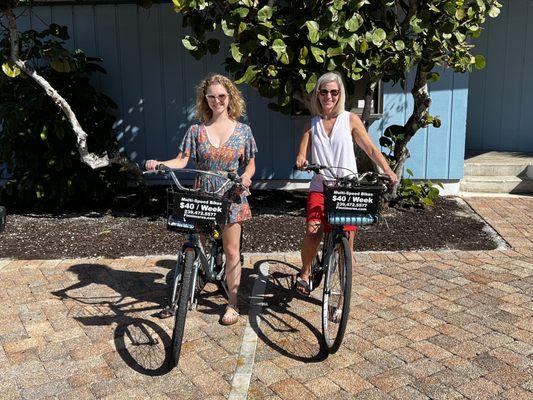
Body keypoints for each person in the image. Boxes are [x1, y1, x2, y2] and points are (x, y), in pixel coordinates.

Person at [146, 74, 258, 325]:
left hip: (231, 193)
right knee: (199, 243)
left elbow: (250, 165)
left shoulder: (243, 131)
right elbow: (181, 160)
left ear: (230, 98)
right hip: (203, 195)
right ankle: (194, 280)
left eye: (222, 96)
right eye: (211, 96)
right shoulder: (196, 130)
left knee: (231, 251)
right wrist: (160, 164)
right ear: (205, 99)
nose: (217, 100)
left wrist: (247, 177)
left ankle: (232, 303)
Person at [294, 71, 398, 296]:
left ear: (340, 94)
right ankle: (304, 271)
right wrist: (302, 161)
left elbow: (370, 148)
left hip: (347, 190)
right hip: (321, 187)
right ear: (318, 95)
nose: (329, 97)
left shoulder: (350, 119)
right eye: (324, 92)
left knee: (347, 246)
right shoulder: (311, 124)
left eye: (334, 92)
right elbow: (301, 154)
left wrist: (387, 169)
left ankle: (341, 298)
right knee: (313, 233)